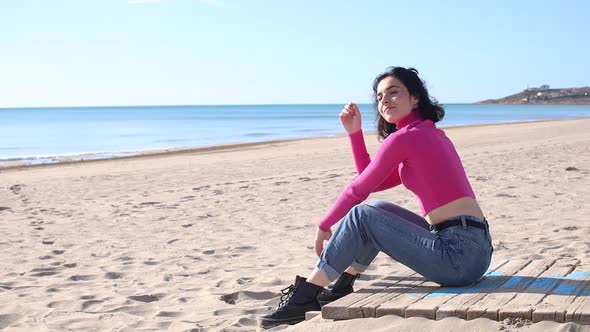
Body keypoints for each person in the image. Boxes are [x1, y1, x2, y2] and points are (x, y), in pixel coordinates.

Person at [258, 66, 493, 328]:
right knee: (378, 209)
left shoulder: (406, 138)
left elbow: (358, 189)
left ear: (415, 97)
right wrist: (354, 133)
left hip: (457, 257)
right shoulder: (427, 133)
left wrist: (324, 225)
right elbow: (371, 179)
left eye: (393, 93)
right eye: (380, 97)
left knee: (363, 214)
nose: (385, 101)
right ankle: (342, 286)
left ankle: (305, 295)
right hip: (475, 249)